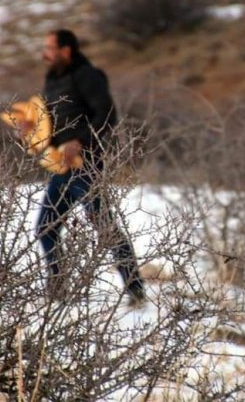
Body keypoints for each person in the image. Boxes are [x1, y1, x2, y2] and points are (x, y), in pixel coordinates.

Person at [35, 29, 145, 304]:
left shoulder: (88, 75)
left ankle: (136, 291)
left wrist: (80, 142)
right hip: (61, 167)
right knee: (46, 229)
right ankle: (59, 294)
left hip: (87, 166)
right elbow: (50, 122)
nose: (44, 54)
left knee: (104, 227)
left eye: (49, 48)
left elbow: (107, 114)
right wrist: (29, 129)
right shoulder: (53, 79)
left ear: (66, 50)